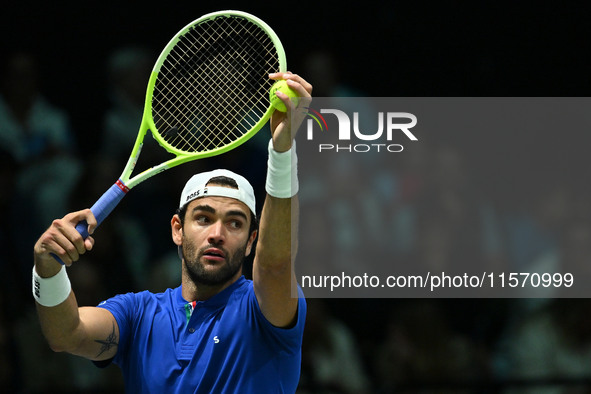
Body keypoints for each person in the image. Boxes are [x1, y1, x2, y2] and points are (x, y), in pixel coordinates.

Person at [32, 72, 312, 393]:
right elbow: (66, 335)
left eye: (235, 223)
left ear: (251, 241)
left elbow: (275, 265)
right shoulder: (138, 315)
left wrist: (282, 151)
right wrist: (48, 271)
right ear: (177, 230)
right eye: (203, 218)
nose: (217, 233)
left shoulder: (262, 310)